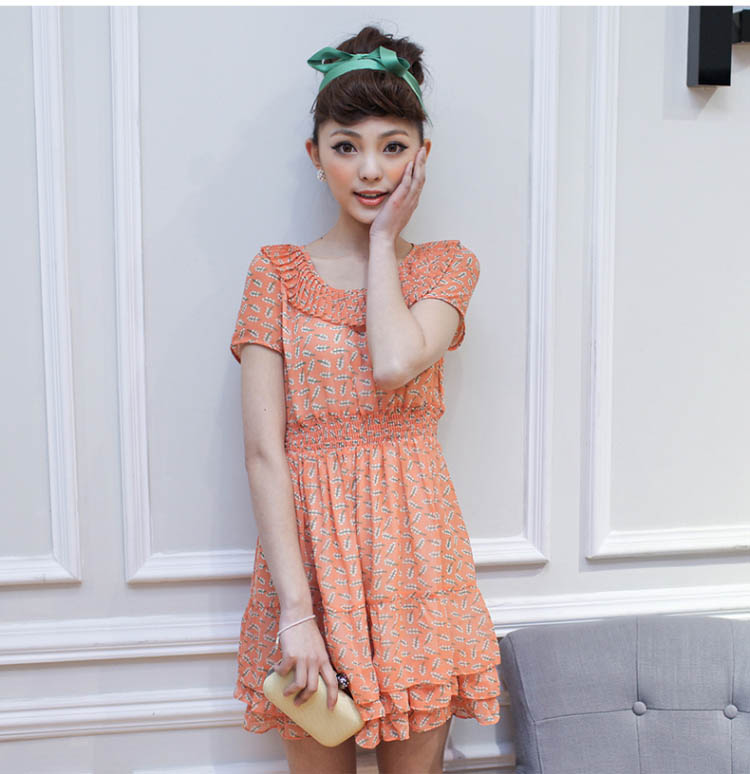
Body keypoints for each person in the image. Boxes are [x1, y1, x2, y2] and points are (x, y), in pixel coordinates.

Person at [230, 24, 501, 774]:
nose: (372, 169)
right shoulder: (274, 274)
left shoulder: (445, 267)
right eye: (347, 146)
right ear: (315, 154)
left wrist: (384, 242)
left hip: (416, 560)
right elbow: (263, 454)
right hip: (308, 566)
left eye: (393, 146)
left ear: (422, 155)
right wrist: (297, 612)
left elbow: (393, 362)